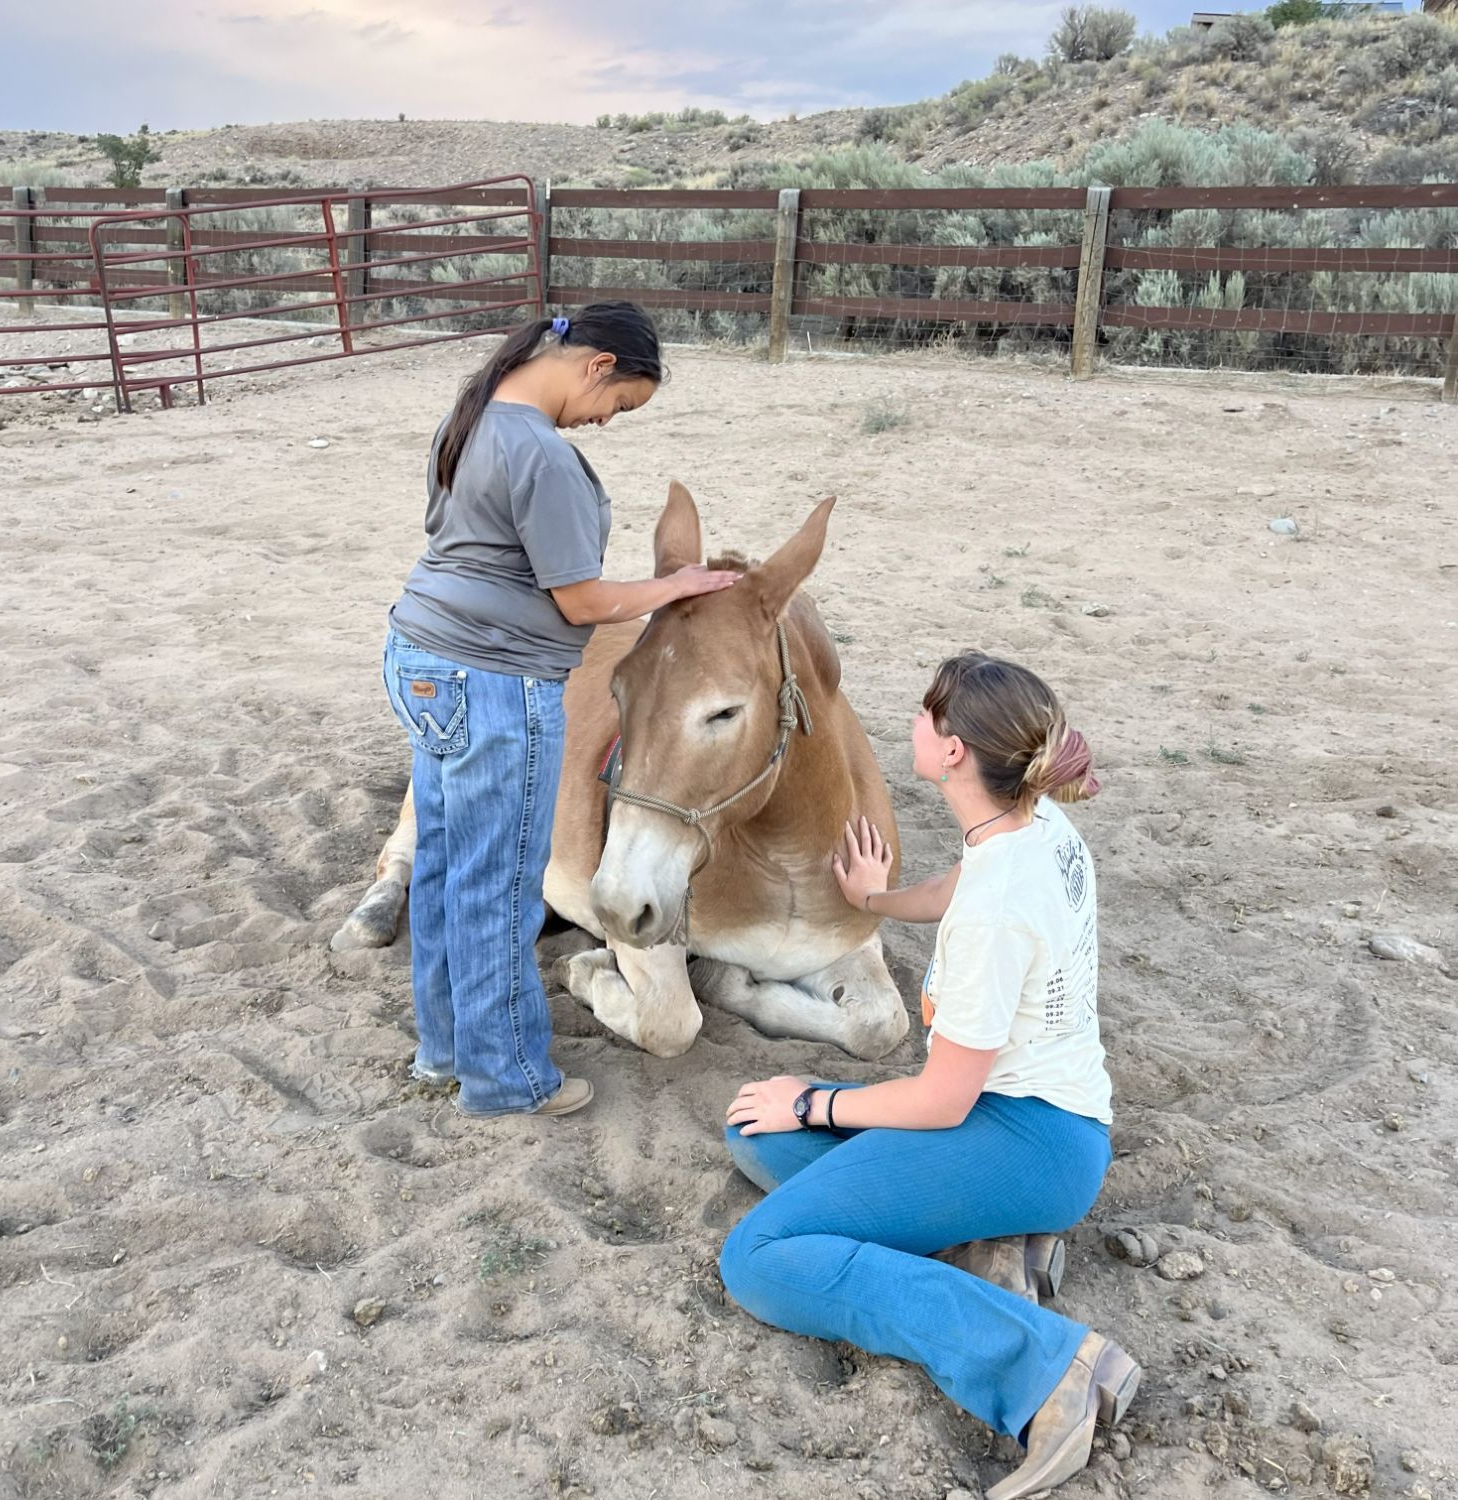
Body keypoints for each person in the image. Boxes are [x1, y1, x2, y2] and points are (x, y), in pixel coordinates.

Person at [719, 651, 1138, 1500]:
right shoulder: (1034, 823)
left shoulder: (995, 915)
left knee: (758, 1256)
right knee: (755, 1129)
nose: (912, 721)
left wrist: (815, 1099)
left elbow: (943, 1099)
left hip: (1023, 1137)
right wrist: (874, 901)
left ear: (953, 752)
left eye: (925, 713)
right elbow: (962, 883)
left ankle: (1046, 1368)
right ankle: (992, 1246)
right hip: (1032, 1123)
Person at [383, 303, 737, 1119]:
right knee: (504, 880)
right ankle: (506, 1079)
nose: (607, 420)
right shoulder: (542, 454)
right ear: (597, 365)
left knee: (442, 864)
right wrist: (675, 587)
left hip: (423, 656)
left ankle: (444, 1050)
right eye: (620, 403)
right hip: (494, 678)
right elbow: (581, 601)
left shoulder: (472, 416)